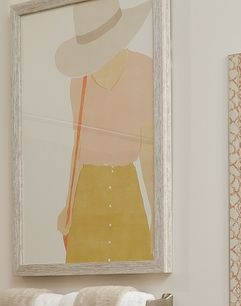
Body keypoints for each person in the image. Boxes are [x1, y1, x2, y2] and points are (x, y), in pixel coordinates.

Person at [56, 1, 156, 265]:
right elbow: (77, 150)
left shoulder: (143, 69)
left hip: (127, 190)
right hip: (88, 193)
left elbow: (149, 151)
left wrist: (159, 216)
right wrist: (70, 206)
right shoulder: (79, 82)